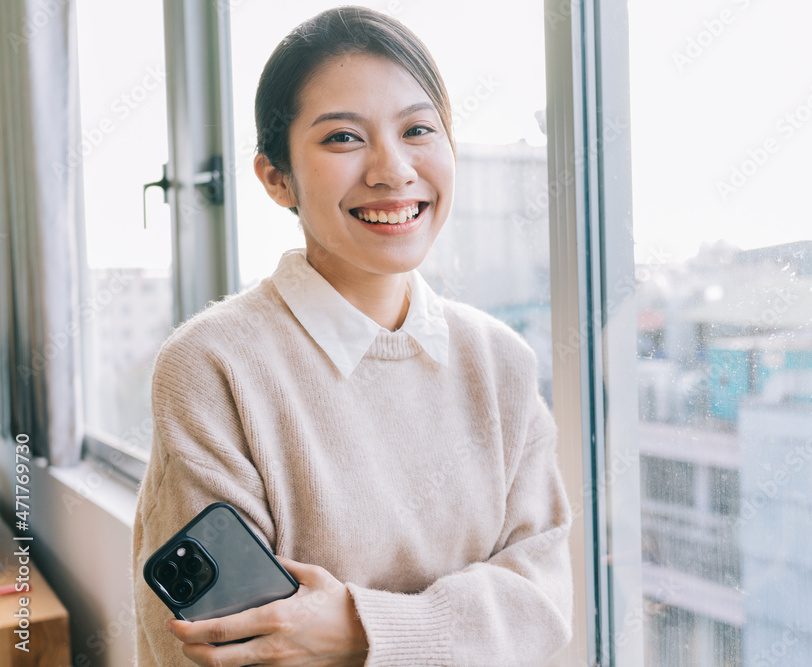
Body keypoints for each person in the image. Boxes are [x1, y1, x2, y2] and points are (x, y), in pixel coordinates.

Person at [131, 6, 574, 666]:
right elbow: (223, 648)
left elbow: (540, 611)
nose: (393, 170)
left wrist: (358, 628)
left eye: (418, 129)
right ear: (276, 178)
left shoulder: (500, 360)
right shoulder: (213, 364)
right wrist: (464, 626)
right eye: (343, 138)